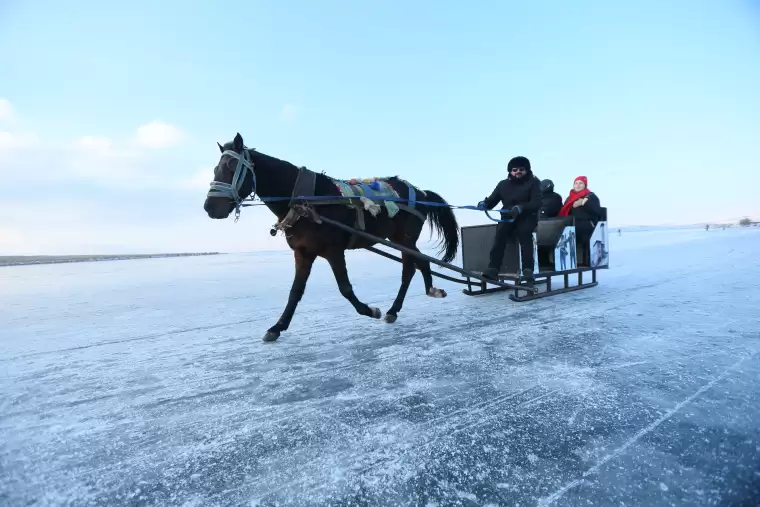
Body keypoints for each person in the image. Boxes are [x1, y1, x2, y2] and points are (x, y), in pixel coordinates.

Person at [477, 156, 542, 284]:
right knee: (499, 236)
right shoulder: (503, 185)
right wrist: (484, 204)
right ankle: (493, 269)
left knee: (525, 234)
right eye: (514, 169)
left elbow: (537, 202)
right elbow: (492, 200)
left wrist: (521, 207)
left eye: (521, 169)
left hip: (527, 217)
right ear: (510, 171)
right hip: (507, 218)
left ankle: (528, 270)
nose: (518, 172)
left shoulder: (534, 182)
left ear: (527, 170)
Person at [558, 176, 603, 261]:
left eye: (581, 183)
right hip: (573, 223)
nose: (578, 185)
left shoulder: (591, 196)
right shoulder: (569, 198)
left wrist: (584, 203)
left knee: (573, 228)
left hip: (587, 223)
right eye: (576, 183)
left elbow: (597, 211)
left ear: (585, 185)